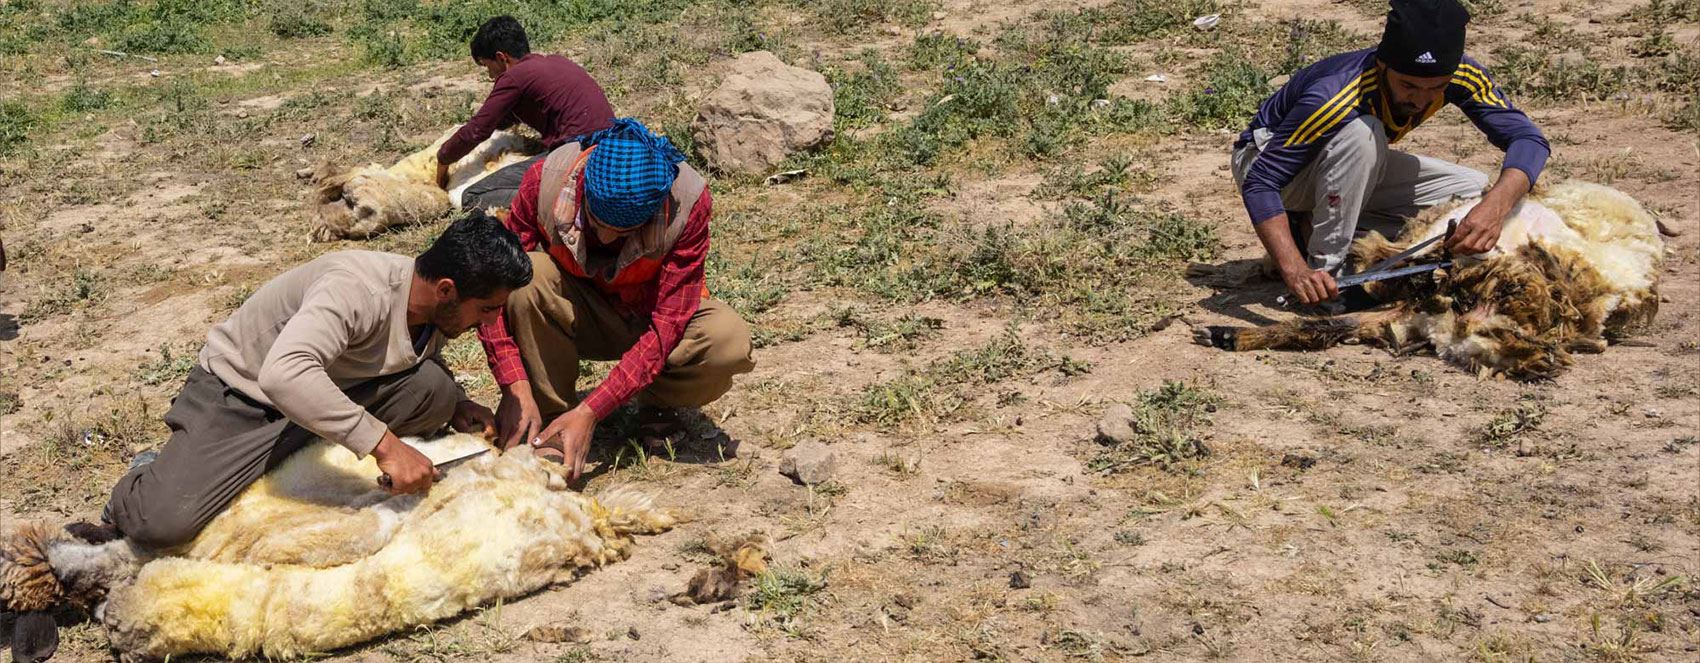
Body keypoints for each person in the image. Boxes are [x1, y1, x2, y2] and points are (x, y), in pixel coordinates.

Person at [102, 213, 533, 549]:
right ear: (445, 290)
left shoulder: (429, 307)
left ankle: (293, 453)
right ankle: (147, 475)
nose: (490, 322)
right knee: (162, 522)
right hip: (243, 398)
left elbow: (406, 358)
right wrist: (385, 446)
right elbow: (284, 373)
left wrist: (457, 402)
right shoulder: (356, 290)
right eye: (487, 308)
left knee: (435, 392)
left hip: (326, 390)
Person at [476, 118, 756, 481]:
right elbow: (493, 291)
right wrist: (514, 385)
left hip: (649, 319)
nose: (607, 239)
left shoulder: (688, 202)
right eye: (596, 221)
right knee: (527, 276)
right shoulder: (546, 181)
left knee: (726, 340)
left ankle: (657, 406)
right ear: (583, 191)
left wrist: (593, 410)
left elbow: (667, 326)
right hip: (576, 312)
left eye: (624, 232)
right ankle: (549, 416)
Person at [1232, 0, 1550, 306]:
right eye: (1408, 85)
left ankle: (1310, 228)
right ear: (1383, 65)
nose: (1422, 99)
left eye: (1436, 87)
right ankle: (1328, 274)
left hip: (1342, 164)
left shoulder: (1462, 75)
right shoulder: (1335, 95)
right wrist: (1293, 269)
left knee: (1471, 189)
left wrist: (1494, 208)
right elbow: (1261, 182)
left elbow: (1528, 139)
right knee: (1363, 133)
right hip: (1269, 165)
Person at [436, 15, 616, 210]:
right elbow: (504, 117)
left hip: (578, 157)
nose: (489, 75)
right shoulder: (555, 62)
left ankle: (559, 200)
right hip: (610, 148)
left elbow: (477, 130)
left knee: (472, 195)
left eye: (488, 66)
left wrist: (443, 158)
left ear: (501, 57)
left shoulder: (514, 77)